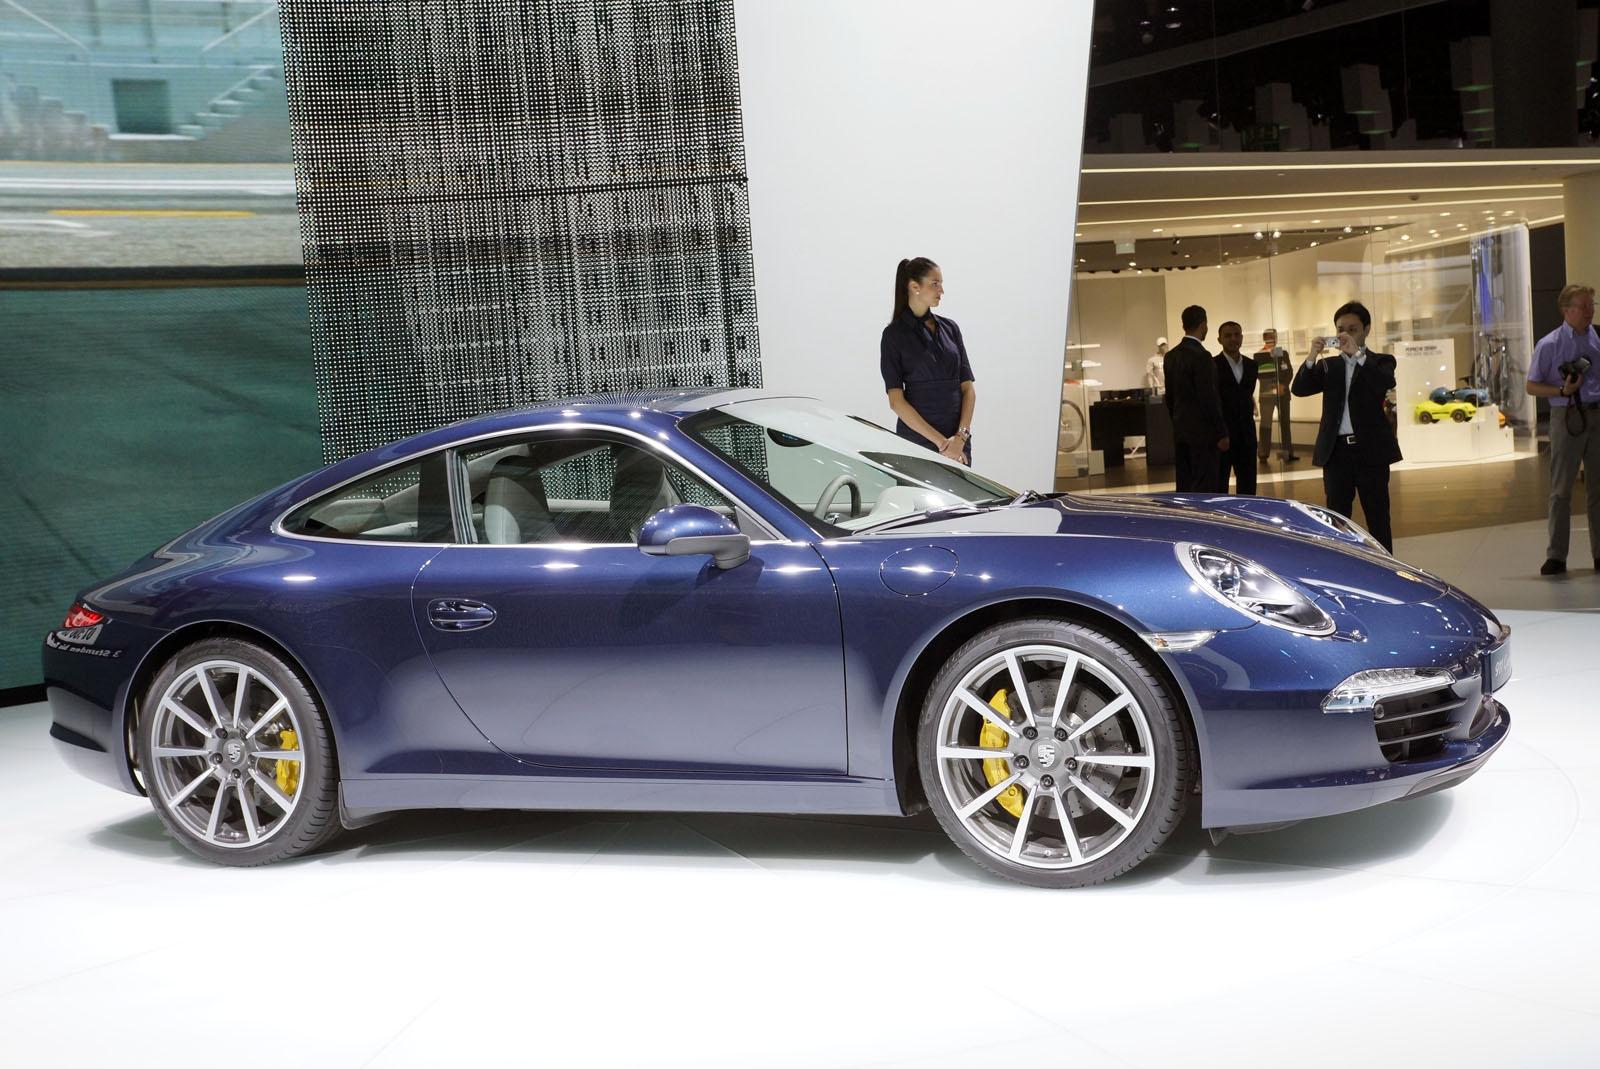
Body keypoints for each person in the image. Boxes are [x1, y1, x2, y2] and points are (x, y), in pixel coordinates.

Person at [1292, 301, 1401, 552]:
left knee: (1378, 516)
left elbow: (1384, 381)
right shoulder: (1329, 365)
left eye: (1353, 329)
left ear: (1366, 330)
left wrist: (1357, 356)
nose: (1346, 335)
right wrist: (1312, 355)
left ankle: (1385, 567)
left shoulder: (1381, 361)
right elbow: (1299, 389)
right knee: (1337, 519)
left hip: (1371, 452)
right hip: (1337, 453)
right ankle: (1341, 563)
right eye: (1341, 329)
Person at [1525, 283, 1600, 576]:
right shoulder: (1549, 344)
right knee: (1561, 489)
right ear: (1566, 311)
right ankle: (1556, 555)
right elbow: (1531, 386)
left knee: (1597, 488)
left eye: (1592, 305)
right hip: (1565, 416)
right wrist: (1561, 389)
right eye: (1584, 306)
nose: (1590, 311)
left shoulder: (1597, 338)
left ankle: (1599, 553)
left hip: (1596, 415)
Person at [881, 257, 974, 465]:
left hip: (958, 442)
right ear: (915, 286)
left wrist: (960, 438)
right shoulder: (893, 336)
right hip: (917, 442)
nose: (942, 290)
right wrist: (942, 444)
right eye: (935, 284)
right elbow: (896, 402)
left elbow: (968, 389)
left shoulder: (951, 329)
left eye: (941, 284)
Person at [1162, 305, 1227, 492]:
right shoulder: (1202, 356)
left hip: (1181, 430)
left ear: (1184, 325)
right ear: (1203, 325)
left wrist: (1177, 420)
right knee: (1204, 485)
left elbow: (1170, 397)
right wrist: (1221, 431)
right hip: (1203, 434)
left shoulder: (1171, 356)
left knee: (1184, 483)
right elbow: (1209, 397)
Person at [1215, 321, 1259, 494]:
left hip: (1247, 435)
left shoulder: (1252, 365)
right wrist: (1219, 433)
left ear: (1241, 337)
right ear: (1219, 339)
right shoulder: (1212, 365)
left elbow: (1246, 397)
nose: (1233, 339)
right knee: (1219, 486)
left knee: (1248, 487)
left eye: (1236, 335)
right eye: (1228, 335)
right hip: (1222, 436)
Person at [1256, 328, 1297, 462]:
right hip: (1267, 393)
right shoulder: (1259, 355)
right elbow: (1260, 374)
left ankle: (1287, 453)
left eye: (1273, 337)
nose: (1272, 339)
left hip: (1282, 393)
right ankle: (1263, 453)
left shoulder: (1282, 353)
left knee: (1285, 424)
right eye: (1269, 337)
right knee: (1265, 424)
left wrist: (1283, 384)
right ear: (1264, 338)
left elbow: (1288, 371)